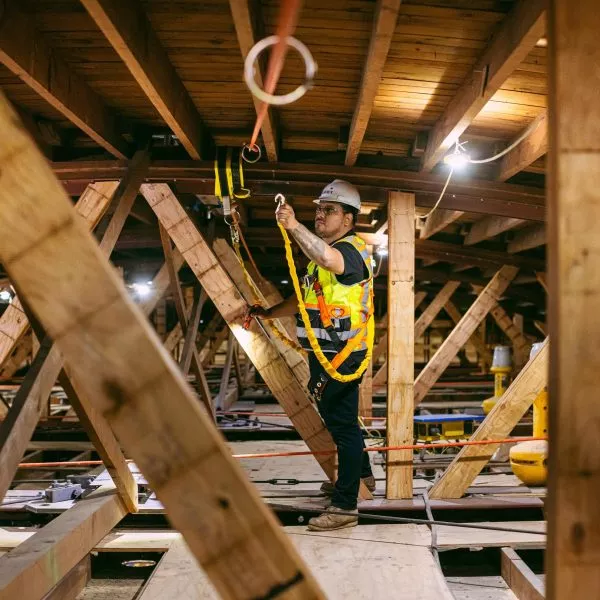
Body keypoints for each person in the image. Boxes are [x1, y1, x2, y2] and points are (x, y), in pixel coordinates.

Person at [247, 179, 375, 531]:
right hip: (326, 353)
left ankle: (346, 506)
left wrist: (294, 226)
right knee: (340, 423)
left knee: (343, 427)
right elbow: (305, 298)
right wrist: (269, 313)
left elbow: (325, 256)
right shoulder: (322, 261)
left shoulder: (349, 251)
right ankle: (361, 477)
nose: (320, 215)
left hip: (342, 355)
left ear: (348, 219)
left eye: (329, 210)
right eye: (318, 210)